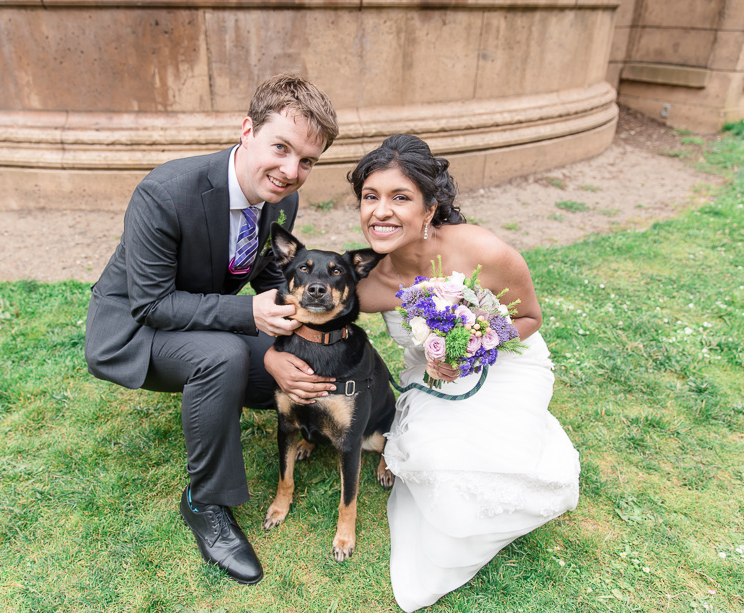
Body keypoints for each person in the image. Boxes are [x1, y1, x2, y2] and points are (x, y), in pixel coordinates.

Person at [268, 134, 581, 610]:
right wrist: (273, 357)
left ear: (430, 208)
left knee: (499, 465)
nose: (381, 211)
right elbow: (294, 312)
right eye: (370, 197)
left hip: (506, 364)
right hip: (431, 374)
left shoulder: (482, 250)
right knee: (435, 464)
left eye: (400, 198)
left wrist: (473, 343)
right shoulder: (365, 283)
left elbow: (529, 318)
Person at [84, 74, 339, 585]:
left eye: (307, 160)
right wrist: (250, 320)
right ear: (247, 130)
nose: (291, 171)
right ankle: (206, 502)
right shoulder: (165, 193)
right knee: (223, 356)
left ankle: (316, 424)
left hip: (198, 320)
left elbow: (270, 274)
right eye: (281, 148)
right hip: (133, 331)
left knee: (299, 358)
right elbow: (153, 303)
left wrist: (302, 330)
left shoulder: (279, 198)